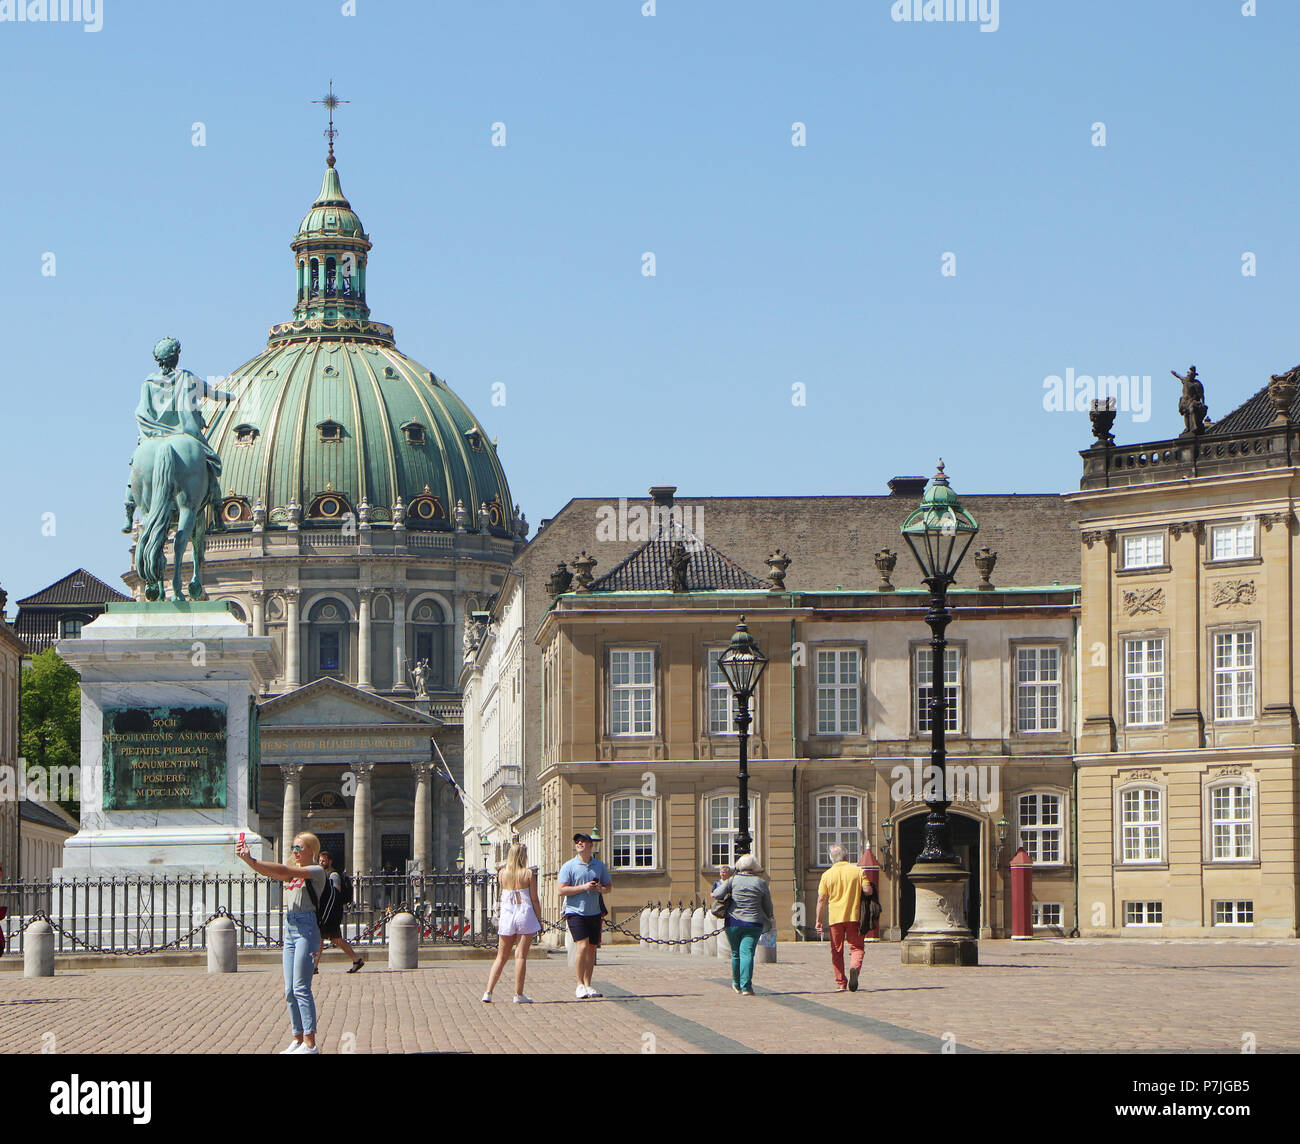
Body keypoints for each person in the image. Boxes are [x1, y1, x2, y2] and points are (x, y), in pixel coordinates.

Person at [237, 831, 327, 1054]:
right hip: (291, 929)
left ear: (311, 850)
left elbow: (284, 870)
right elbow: (273, 872)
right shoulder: (293, 875)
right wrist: (249, 861)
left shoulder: (315, 872)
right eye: (293, 848)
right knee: (289, 989)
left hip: (307, 930)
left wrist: (254, 859)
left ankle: (310, 1042)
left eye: (299, 848)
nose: (295, 852)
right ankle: (297, 1039)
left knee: (301, 987)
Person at [482, 842, 542, 1004]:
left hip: (508, 913)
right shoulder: (528, 874)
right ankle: (518, 993)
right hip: (524, 912)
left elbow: (502, 894)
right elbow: (534, 899)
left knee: (501, 956)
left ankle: (488, 991)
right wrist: (539, 918)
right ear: (523, 856)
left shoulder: (502, 874)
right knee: (520, 955)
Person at [557, 832, 611, 999]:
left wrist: (600, 888)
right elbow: (561, 890)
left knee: (591, 949)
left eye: (583, 841)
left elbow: (608, 887)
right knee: (582, 946)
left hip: (594, 912)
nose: (579, 844)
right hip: (575, 912)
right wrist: (584, 887)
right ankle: (579, 984)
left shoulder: (599, 866)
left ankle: (588, 984)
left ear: (590, 845)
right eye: (577, 842)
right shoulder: (569, 866)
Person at [711, 853, 775, 996]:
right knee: (747, 953)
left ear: (739, 866)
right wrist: (770, 917)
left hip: (733, 922)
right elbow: (768, 905)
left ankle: (736, 983)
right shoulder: (760, 883)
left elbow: (716, 894)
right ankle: (746, 986)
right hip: (753, 923)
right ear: (754, 867)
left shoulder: (733, 880)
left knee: (735, 953)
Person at [815, 844, 871, 992]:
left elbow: (821, 900)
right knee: (857, 947)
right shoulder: (858, 871)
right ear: (847, 856)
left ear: (831, 859)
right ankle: (854, 968)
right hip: (854, 915)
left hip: (835, 918)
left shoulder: (827, 875)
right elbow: (867, 891)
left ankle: (841, 982)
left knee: (836, 950)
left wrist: (818, 921)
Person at [313, 850, 363, 975]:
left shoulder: (333, 875)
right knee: (328, 938)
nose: (321, 862)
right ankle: (356, 960)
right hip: (327, 912)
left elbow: (335, 894)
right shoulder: (323, 874)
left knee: (329, 938)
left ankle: (314, 966)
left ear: (330, 861)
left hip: (331, 912)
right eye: (320, 860)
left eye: (323, 860)